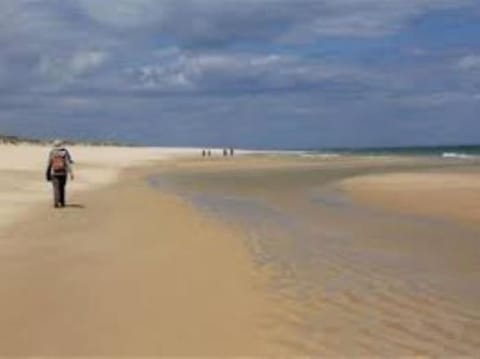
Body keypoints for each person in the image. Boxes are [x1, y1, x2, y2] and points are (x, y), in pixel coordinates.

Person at [46, 139, 74, 208]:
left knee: (56, 188)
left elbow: (49, 163)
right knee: (62, 187)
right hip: (63, 173)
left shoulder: (52, 152)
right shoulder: (64, 152)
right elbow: (67, 163)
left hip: (54, 173)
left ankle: (56, 202)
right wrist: (71, 173)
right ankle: (62, 202)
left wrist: (48, 173)